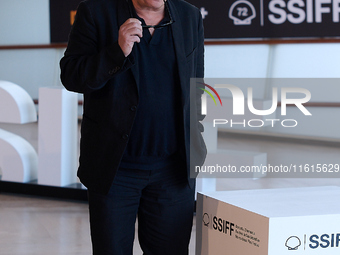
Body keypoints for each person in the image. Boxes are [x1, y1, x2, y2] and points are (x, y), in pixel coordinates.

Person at [60, 0, 206, 254]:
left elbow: (196, 81)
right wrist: (117, 51)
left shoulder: (189, 15)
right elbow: (72, 76)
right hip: (116, 170)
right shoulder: (96, 12)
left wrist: (196, 138)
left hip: (173, 170)